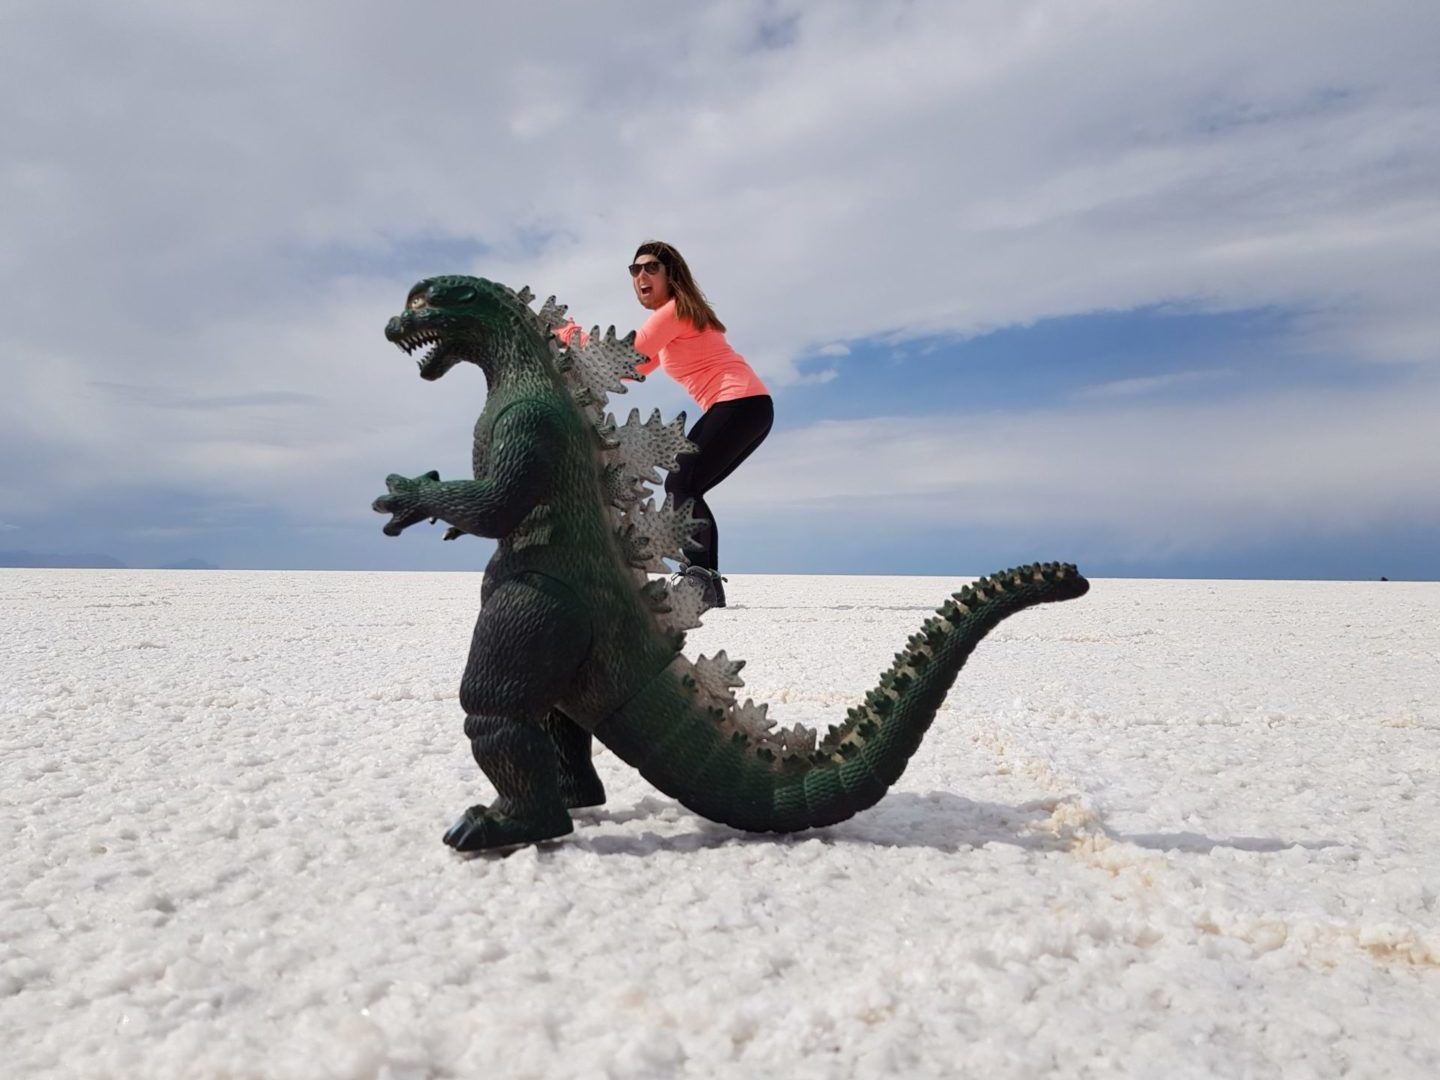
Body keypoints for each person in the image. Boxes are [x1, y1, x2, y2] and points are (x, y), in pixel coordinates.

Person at [555, 241, 772, 609]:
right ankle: (705, 582)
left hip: (740, 402)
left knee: (682, 481)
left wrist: (568, 332)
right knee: (688, 484)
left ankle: (700, 580)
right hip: (748, 407)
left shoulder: (673, 311)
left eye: (651, 268)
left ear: (671, 274)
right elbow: (631, 370)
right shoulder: (675, 320)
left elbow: (625, 356)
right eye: (635, 270)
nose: (641, 276)